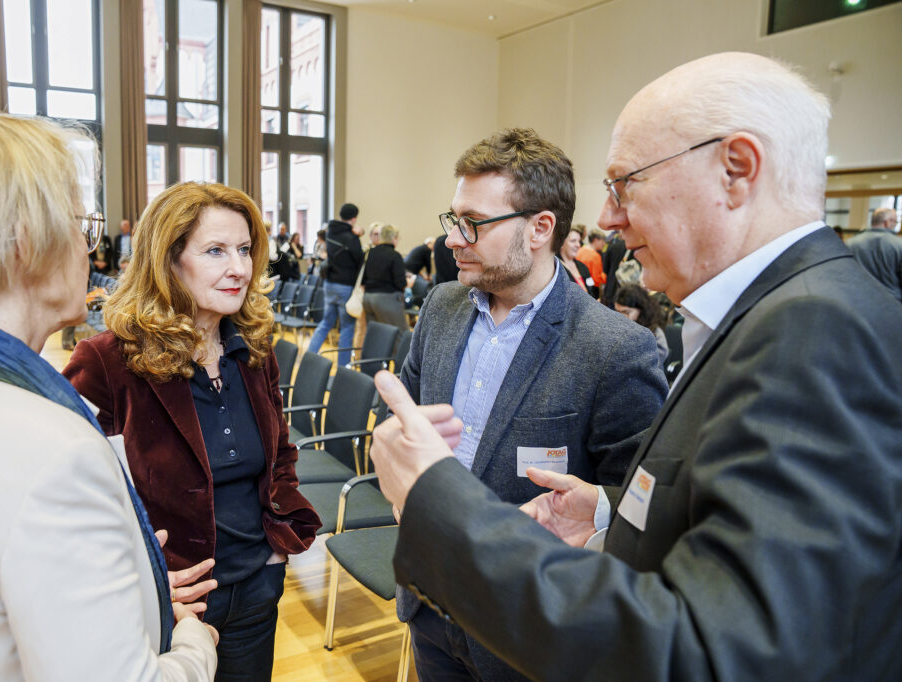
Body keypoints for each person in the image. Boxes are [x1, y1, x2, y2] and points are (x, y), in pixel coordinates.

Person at [368, 52, 902, 680]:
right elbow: (704, 521)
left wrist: (435, 501)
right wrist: (605, 511)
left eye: (626, 184)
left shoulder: (815, 330)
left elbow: (721, 646)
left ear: (736, 170)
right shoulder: (769, 318)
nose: (608, 218)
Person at [0, 111, 218, 681]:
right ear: (27, 241)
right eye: (82, 225)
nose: (88, 251)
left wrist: (135, 583)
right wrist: (192, 644)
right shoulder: (53, 456)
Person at [400, 127, 667, 681]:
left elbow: (641, 508)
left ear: (540, 228)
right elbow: (405, 414)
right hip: (430, 601)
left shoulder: (614, 349)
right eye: (453, 219)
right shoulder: (441, 307)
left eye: (472, 222)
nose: (451, 239)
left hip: (527, 631)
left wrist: (597, 510)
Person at [64, 182, 321, 680]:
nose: (240, 268)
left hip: (257, 588)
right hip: (170, 603)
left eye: (244, 249)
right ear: (168, 259)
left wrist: (275, 546)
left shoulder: (254, 349)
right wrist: (143, 577)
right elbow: (75, 497)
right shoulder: (105, 362)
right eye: (216, 251)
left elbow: (280, 452)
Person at [307, 203, 363, 365]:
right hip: (345, 286)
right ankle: (342, 368)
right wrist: (358, 235)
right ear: (354, 218)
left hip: (329, 283)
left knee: (326, 323)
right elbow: (359, 259)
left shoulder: (330, 231)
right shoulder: (352, 238)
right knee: (347, 327)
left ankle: (309, 357)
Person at [845, 206, 902, 301]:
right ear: (887, 222)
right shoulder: (899, 245)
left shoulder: (850, 243)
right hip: (891, 303)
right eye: (895, 222)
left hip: (857, 301)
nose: (895, 225)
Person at [362, 223, 409, 331]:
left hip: (368, 298)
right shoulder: (395, 255)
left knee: (375, 334)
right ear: (394, 238)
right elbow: (400, 283)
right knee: (399, 334)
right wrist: (407, 283)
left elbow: (363, 278)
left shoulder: (370, 253)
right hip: (386, 299)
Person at [613, 283, 669, 367]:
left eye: (626, 312)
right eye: (617, 312)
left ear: (640, 309)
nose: (621, 317)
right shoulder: (616, 327)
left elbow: (654, 362)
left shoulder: (655, 333)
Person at [558, 222, 595, 297]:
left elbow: (591, 289)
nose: (578, 245)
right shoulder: (554, 268)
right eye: (573, 241)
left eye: (579, 241)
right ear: (561, 243)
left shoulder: (583, 266)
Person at [576, 227, 607, 296]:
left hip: (579, 285)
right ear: (596, 240)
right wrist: (607, 277)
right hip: (591, 290)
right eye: (603, 241)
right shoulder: (595, 256)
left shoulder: (579, 251)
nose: (604, 244)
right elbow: (597, 279)